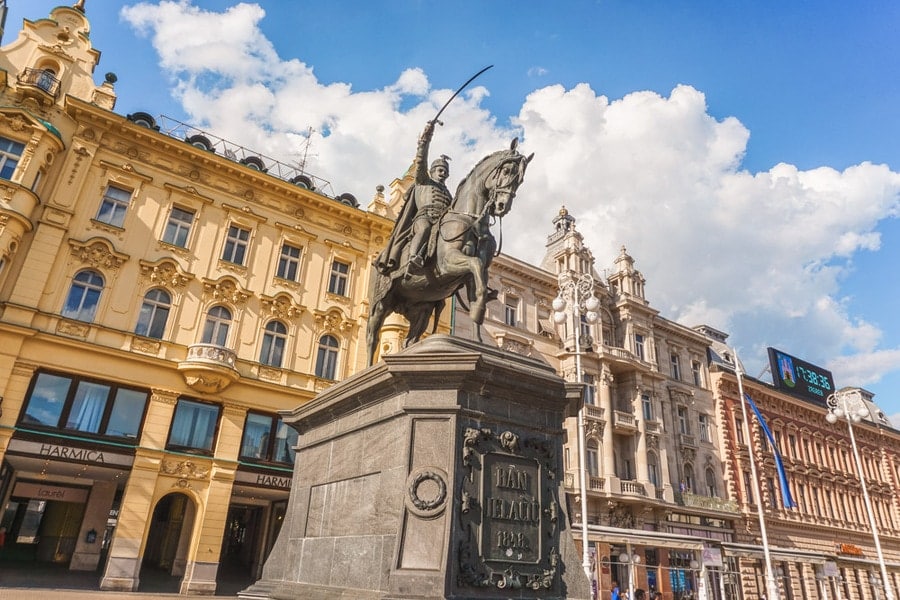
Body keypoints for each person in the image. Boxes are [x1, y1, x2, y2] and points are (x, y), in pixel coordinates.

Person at [375, 120, 452, 276]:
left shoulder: (448, 193)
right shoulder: (424, 181)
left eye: (445, 171)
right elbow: (421, 161)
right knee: (424, 229)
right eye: (439, 170)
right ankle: (413, 258)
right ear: (432, 171)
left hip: (441, 223)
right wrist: (425, 140)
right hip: (424, 218)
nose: (442, 173)